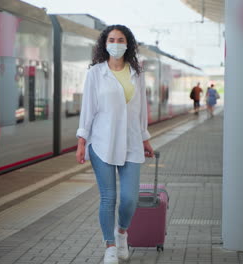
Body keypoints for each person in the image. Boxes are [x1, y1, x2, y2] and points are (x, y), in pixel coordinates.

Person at [75, 25, 154, 264]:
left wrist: (145, 138)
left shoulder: (137, 73)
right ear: (104, 43)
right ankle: (109, 246)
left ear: (128, 43)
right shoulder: (96, 73)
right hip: (102, 142)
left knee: (129, 198)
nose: (116, 43)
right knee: (108, 198)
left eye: (120, 39)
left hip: (131, 142)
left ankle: (122, 233)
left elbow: (141, 110)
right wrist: (81, 141)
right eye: (111, 39)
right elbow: (87, 109)